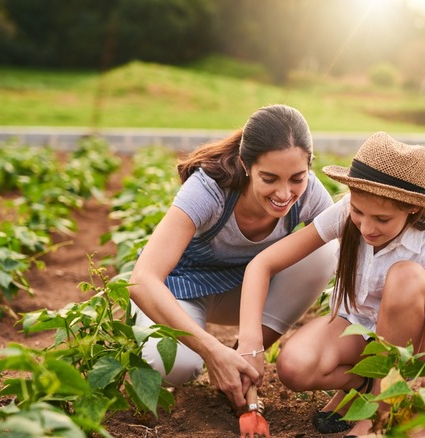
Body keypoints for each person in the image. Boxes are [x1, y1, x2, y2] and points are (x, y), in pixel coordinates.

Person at [238, 131, 425, 436]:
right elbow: (263, 263)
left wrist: (424, 416)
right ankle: (366, 386)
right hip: (354, 329)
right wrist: (250, 342)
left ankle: (382, 412)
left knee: (406, 276)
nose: (367, 227)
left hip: (401, 347)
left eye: (382, 220)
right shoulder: (343, 214)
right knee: (294, 366)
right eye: (358, 211)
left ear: (412, 208)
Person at [128, 104, 338, 410]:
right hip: (184, 291)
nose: (284, 193)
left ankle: (244, 364)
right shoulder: (209, 190)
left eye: (297, 177)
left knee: (327, 248)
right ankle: (167, 332)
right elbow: (142, 279)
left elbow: (353, 256)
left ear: (309, 166)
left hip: (246, 294)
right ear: (245, 165)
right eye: (269, 179)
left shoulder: (309, 193)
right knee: (174, 366)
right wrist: (212, 350)